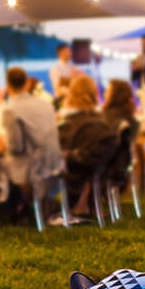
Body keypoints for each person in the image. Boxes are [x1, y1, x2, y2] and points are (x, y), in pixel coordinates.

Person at [0, 66, 64, 223]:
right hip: (53, 160)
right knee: (0, 166)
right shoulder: (46, 104)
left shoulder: (11, 109)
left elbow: (16, 148)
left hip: (30, 165)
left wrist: (3, 145)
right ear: (26, 84)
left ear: (7, 86)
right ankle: (20, 206)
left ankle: (12, 209)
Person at [57, 74, 119, 218]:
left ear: (71, 93)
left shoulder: (66, 124)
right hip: (98, 170)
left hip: (73, 169)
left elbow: (58, 151)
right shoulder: (103, 123)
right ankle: (88, 199)